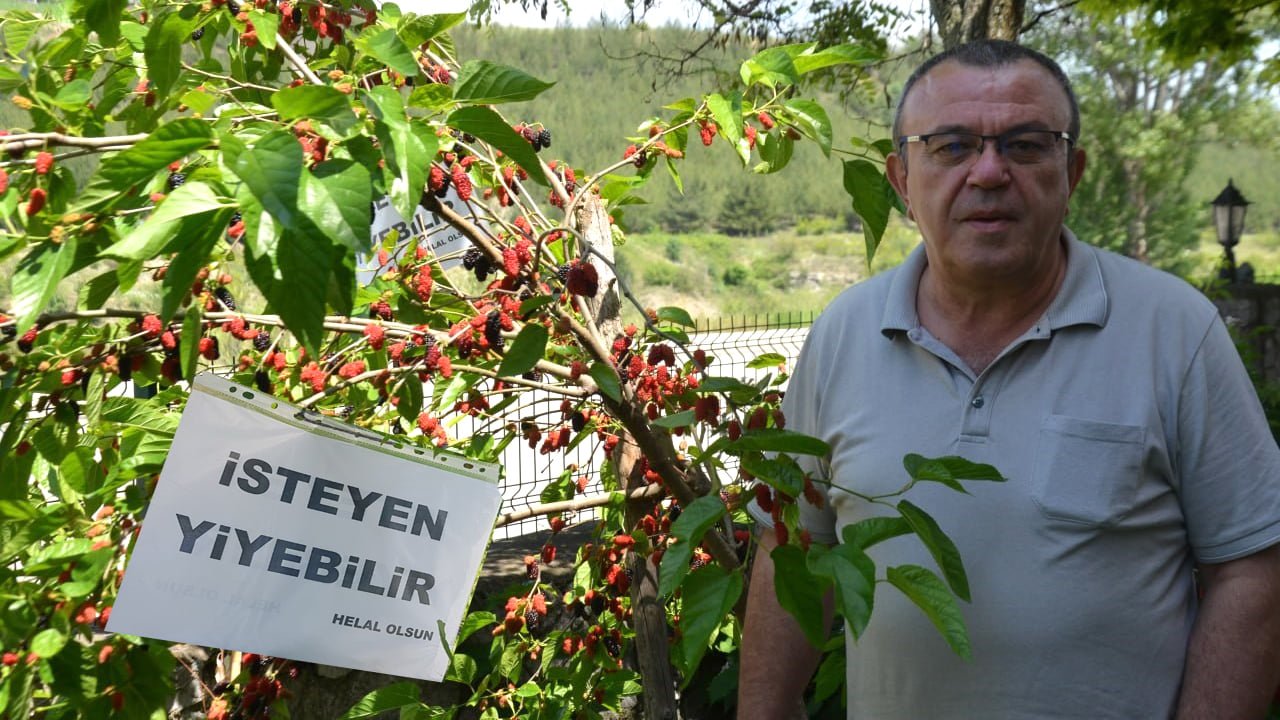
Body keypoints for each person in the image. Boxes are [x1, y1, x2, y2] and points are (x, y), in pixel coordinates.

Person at [739, 39, 1280, 719]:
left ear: (1072, 171)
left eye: (1026, 145)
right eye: (951, 145)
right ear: (902, 179)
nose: (989, 172)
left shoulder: (1175, 333)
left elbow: (1253, 568)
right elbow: (793, 547)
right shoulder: (842, 334)